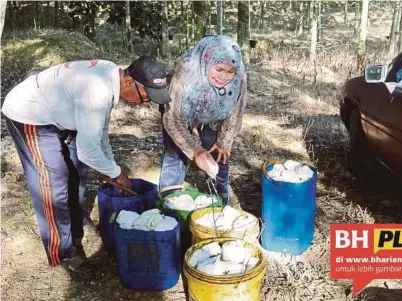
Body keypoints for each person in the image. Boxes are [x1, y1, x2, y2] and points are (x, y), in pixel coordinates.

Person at [1, 56, 170, 275]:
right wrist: (117, 173)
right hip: (31, 114)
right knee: (53, 185)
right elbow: (89, 151)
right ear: (129, 81)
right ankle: (63, 252)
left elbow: (100, 136)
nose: (146, 102)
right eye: (146, 95)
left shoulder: (112, 76)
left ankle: (74, 230)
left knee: (77, 174)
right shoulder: (97, 92)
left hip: (64, 113)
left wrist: (112, 167)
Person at [159, 35, 247, 205]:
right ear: (208, 60)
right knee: (175, 156)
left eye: (230, 72)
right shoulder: (186, 67)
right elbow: (173, 118)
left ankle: (219, 206)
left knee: (218, 158)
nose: (224, 77)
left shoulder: (240, 71)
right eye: (219, 69)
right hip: (181, 112)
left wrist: (224, 141)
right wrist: (195, 151)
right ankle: (169, 206)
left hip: (215, 115)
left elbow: (237, 107)